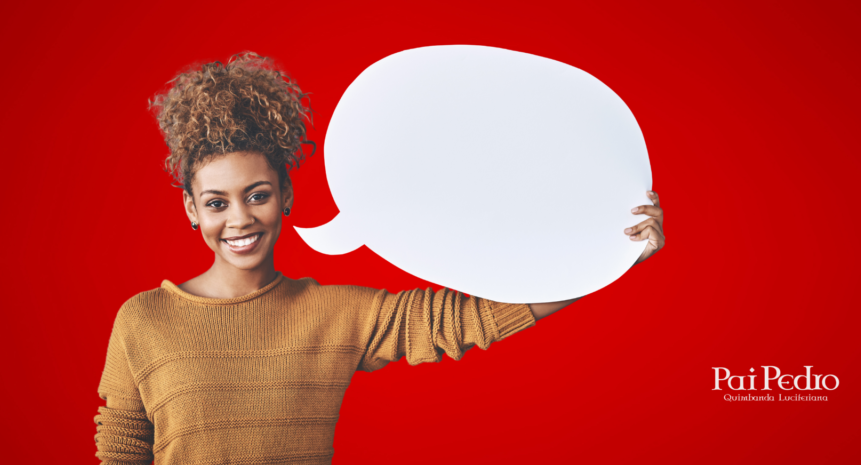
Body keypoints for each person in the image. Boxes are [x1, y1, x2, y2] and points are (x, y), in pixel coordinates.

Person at [93, 51, 665, 464]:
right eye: (217, 202)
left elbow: (468, 318)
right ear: (192, 209)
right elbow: (121, 453)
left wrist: (613, 256)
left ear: (285, 196)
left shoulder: (337, 313)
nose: (239, 219)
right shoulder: (142, 319)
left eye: (258, 195)